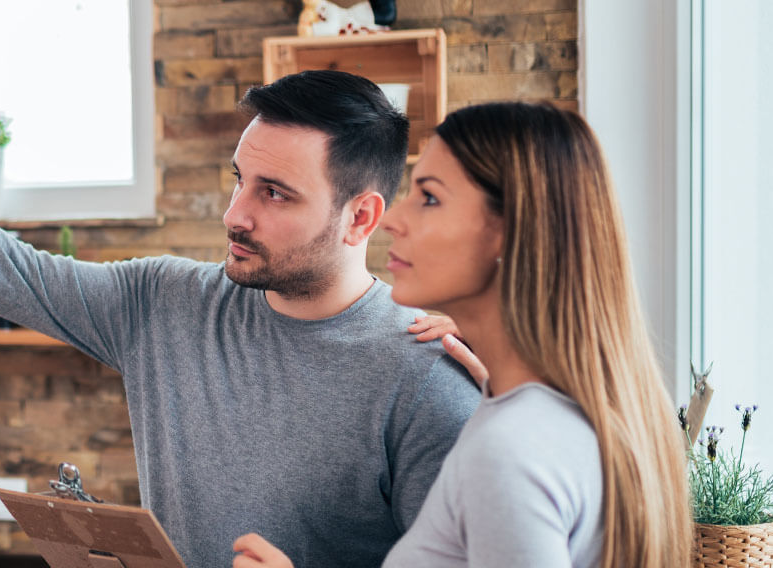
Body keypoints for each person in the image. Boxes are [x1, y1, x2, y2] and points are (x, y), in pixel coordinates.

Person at [0, 33, 481, 567]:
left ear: (361, 217)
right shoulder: (164, 301)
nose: (235, 213)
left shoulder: (424, 375)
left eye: (274, 194)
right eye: (239, 179)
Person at [232, 102, 694, 567]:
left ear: (510, 233)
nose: (391, 220)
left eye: (429, 197)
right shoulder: (561, 417)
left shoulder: (509, 451)